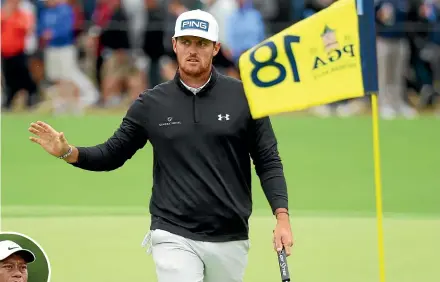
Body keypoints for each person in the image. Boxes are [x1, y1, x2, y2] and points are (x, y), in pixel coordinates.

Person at [28, 9, 293, 282]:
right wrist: (68, 152)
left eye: (202, 43)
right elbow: (112, 154)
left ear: (215, 48)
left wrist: (281, 217)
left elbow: (267, 160)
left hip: (230, 235)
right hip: (172, 232)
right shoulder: (151, 103)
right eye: (186, 42)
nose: (193, 50)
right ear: (174, 44)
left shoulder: (244, 97)